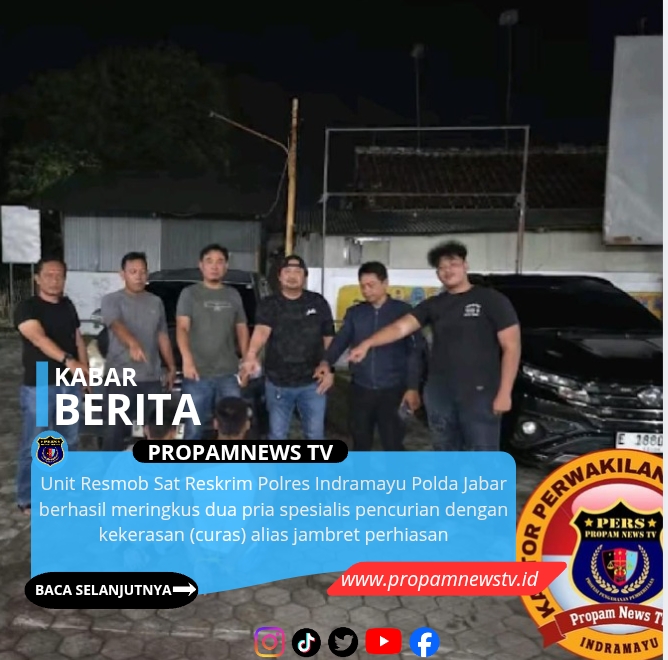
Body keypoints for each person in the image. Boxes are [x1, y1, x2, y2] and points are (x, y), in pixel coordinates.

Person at [348, 241, 521, 452]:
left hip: (479, 393)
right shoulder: (434, 305)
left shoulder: (491, 300)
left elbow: (512, 346)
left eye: (453, 264)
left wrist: (505, 392)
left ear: (465, 265)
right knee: (444, 450)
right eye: (441, 267)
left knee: (482, 453)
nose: (447, 271)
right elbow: (400, 328)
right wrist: (368, 343)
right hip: (440, 393)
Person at [314, 261, 425, 451]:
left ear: (385, 283)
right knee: (360, 442)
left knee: (393, 443)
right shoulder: (356, 313)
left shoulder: (404, 313)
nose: (366, 291)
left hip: (393, 390)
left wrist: (412, 387)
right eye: (363, 286)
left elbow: (414, 353)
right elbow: (340, 341)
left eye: (371, 285)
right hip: (361, 389)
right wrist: (326, 361)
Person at [14, 257, 88, 514]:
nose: (55, 280)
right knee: (37, 441)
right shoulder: (28, 307)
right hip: (42, 381)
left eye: (59, 276)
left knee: (70, 439)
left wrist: (84, 371)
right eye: (49, 275)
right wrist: (69, 361)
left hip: (69, 383)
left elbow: (78, 339)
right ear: (37, 278)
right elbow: (39, 339)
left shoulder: (67, 305)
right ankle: (28, 496)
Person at [240, 255, 335, 440]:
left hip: (313, 383)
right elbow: (261, 331)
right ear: (279, 276)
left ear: (305, 276)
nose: (292, 276)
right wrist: (251, 355)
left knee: (315, 435)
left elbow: (329, 337)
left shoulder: (318, 302)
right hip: (278, 383)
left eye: (297, 271)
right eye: (287, 271)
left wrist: (329, 367)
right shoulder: (269, 304)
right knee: (277, 435)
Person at [100, 252, 176, 451]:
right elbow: (115, 324)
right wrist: (132, 343)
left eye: (142, 272)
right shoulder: (112, 300)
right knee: (114, 433)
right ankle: (109, 469)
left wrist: (171, 366)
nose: (139, 276)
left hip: (151, 378)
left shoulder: (156, 302)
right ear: (122, 274)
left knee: (155, 433)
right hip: (120, 379)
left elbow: (162, 335)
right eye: (133, 271)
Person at [176, 244, 249, 440]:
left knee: (232, 430)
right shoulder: (189, 294)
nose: (214, 266)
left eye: (220, 262)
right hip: (197, 375)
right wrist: (187, 360)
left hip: (229, 374)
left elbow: (241, 328)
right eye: (209, 261)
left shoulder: (233, 295)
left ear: (226, 266)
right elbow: (182, 328)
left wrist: (247, 361)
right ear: (201, 265)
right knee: (193, 430)